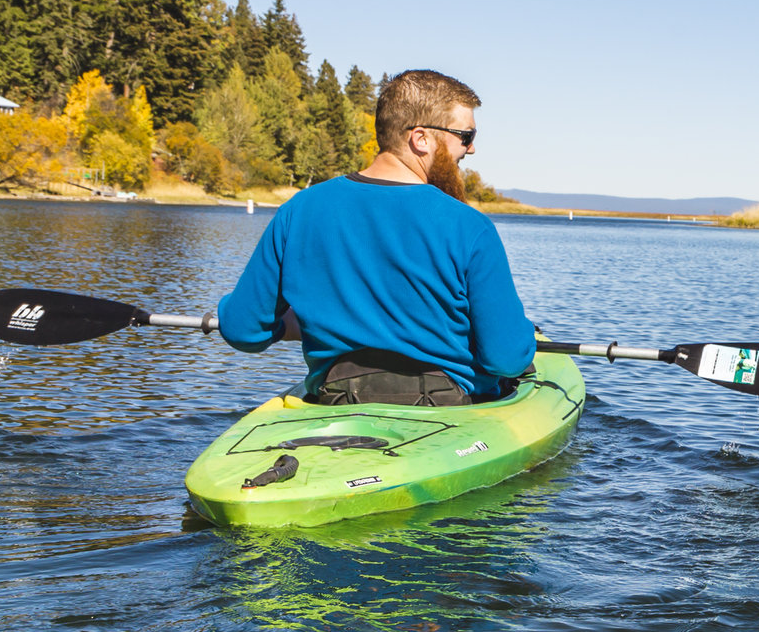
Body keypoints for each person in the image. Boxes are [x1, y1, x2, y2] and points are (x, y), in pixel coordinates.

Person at [216, 68, 537, 405]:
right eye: (465, 136)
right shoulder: (471, 226)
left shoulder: (298, 210)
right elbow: (505, 359)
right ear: (421, 138)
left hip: (336, 399)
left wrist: (285, 325)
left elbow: (243, 330)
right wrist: (523, 336)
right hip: (447, 410)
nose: (470, 150)